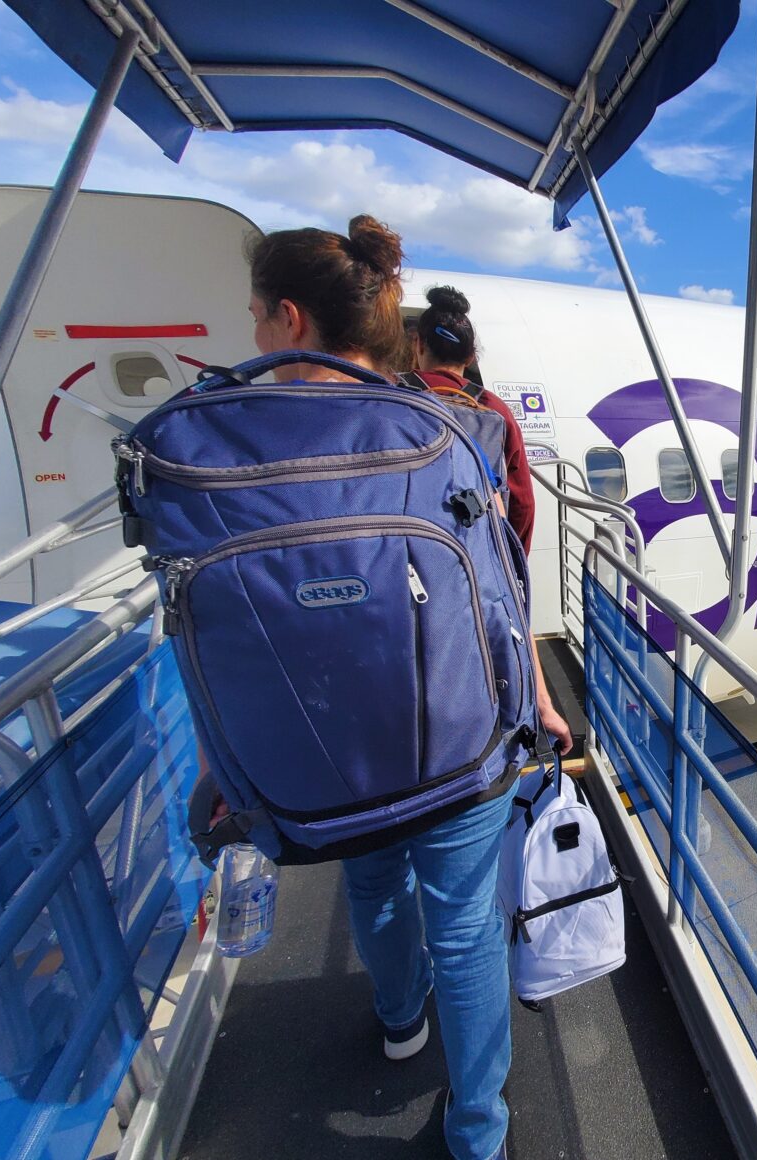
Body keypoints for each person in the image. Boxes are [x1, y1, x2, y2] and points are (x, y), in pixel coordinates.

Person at [245, 214, 571, 1160]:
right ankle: (479, 1131)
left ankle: (398, 1020)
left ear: (290, 319)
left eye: (256, 313)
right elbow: (503, 583)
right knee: (465, 926)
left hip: (327, 739)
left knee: (375, 881)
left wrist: (229, 759)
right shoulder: (454, 429)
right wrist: (539, 702)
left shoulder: (232, 438)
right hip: (457, 726)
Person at [409, 286, 535, 552]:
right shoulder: (493, 408)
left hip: (405, 555)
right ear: (470, 356)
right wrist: (512, 562)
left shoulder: (385, 394)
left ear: (418, 344)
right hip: (476, 556)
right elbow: (522, 503)